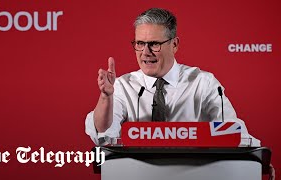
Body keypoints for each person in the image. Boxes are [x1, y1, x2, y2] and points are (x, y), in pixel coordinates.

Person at [85, 8, 260, 146]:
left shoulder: (203, 83)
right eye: (140, 43)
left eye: (154, 44)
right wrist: (105, 97)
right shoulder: (123, 85)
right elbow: (103, 133)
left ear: (174, 44)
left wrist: (256, 158)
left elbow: (233, 133)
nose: (145, 52)